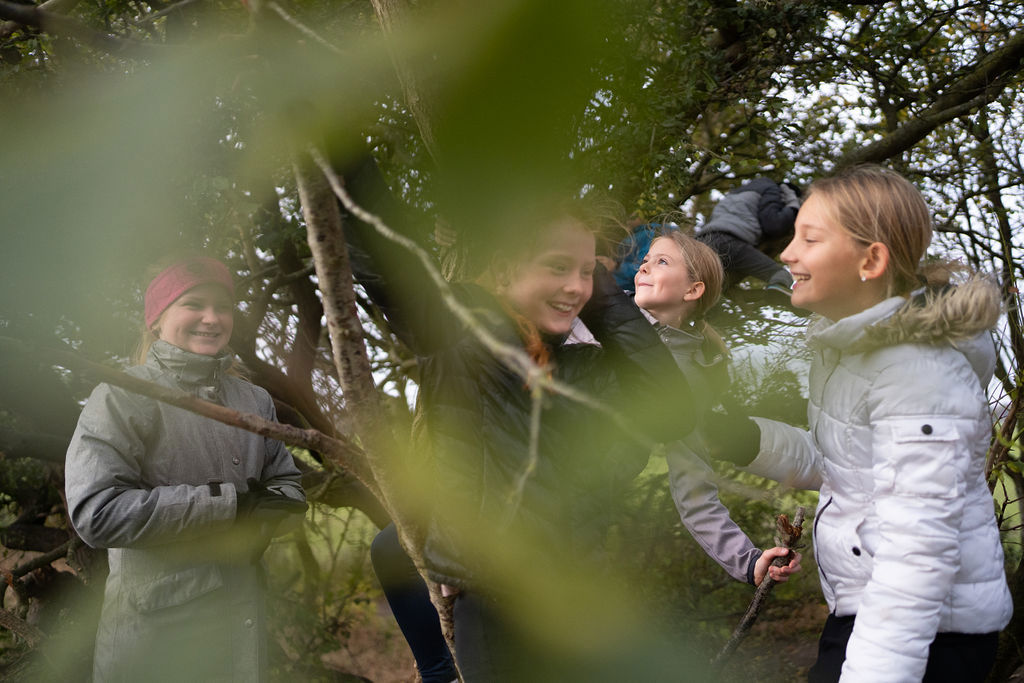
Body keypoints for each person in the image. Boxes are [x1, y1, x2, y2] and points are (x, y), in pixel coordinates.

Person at [338, 155, 695, 680]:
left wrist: (601, 295)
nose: (573, 286)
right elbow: (388, 246)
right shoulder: (462, 331)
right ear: (505, 267)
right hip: (495, 602)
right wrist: (340, 147)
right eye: (555, 266)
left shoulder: (586, 368)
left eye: (583, 271)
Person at [709, 166, 1012, 682]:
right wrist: (737, 437)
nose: (786, 254)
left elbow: (918, 548)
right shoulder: (852, 354)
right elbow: (842, 463)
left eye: (810, 239)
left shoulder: (916, 372)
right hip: (875, 611)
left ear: (870, 260)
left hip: (926, 629)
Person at [64, 256, 308, 682]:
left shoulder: (254, 402)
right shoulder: (121, 397)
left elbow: (286, 482)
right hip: (155, 643)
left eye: (223, 307)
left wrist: (272, 517)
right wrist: (230, 508)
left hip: (240, 630)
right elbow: (96, 512)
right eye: (194, 304)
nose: (212, 319)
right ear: (157, 320)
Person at [632, 231, 800, 586]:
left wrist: (750, 561)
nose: (644, 267)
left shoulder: (687, 378)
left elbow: (695, 491)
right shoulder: (594, 311)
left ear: (692, 290)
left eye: (661, 261)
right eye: (645, 260)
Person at [694, 176, 801, 294]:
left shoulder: (735, 195)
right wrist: (793, 206)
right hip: (730, 244)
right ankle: (777, 291)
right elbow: (773, 224)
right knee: (781, 274)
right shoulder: (773, 190)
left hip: (700, 243)